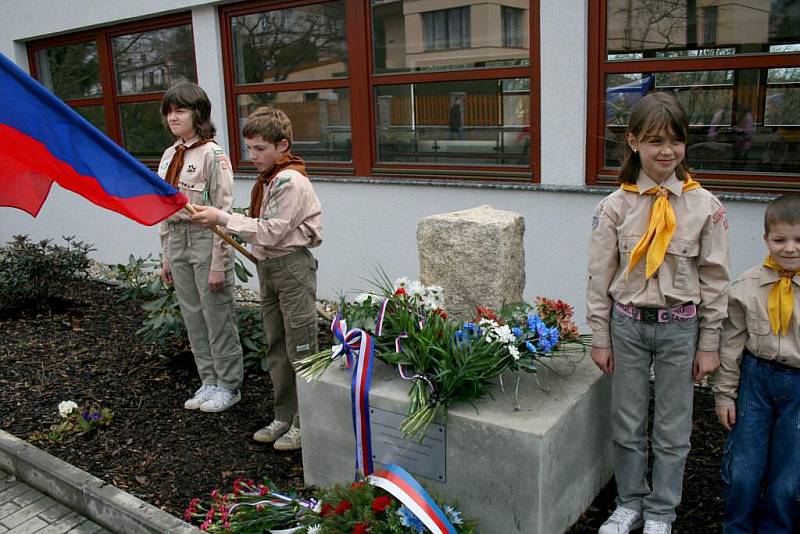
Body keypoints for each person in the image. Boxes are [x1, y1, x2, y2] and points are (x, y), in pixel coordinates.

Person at [586, 92, 730, 534]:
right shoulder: (614, 207)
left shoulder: (705, 207)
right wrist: (600, 335)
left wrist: (709, 345)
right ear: (633, 142)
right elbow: (598, 276)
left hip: (679, 329)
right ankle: (629, 502)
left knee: (673, 428)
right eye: (654, 141)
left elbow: (715, 280)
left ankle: (662, 511)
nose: (666, 151)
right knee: (627, 423)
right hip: (627, 326)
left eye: (676, 141)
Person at [191, 106, 322, 451]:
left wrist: (222, 216)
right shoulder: (269, 180)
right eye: (249, 148)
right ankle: (284, 414)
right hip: (271, 268)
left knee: (302, 348)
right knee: (277, 346)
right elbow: (260, 226)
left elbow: (273, 231)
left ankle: (305, 422)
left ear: (282, 145)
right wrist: (222, 218)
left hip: (292, 268)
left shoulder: (290, 181)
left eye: (260, 149)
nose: (253, 156)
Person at [710, 195, 800, 532]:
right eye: (780, 240)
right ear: (766, 240)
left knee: (790, 476)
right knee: (744, 470)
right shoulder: (747, 286)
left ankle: (777, 527)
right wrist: (724, 395)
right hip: (755, 381)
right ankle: (737, 527)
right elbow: (731, 343)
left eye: (798, 240)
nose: (789, 248)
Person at [158, 82, 244, 413]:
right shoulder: (170, 156)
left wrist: (219, 263)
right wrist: (166, 256)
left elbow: (224, 211)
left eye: (180, 110)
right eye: (169, 111)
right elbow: (164, 208)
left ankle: (228, 385)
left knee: (216, 314)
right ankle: (208, 379)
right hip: (178, 238)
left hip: (207, 239)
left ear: (198, 113)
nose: (172, 117)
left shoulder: (213, 155)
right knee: (193, 315)